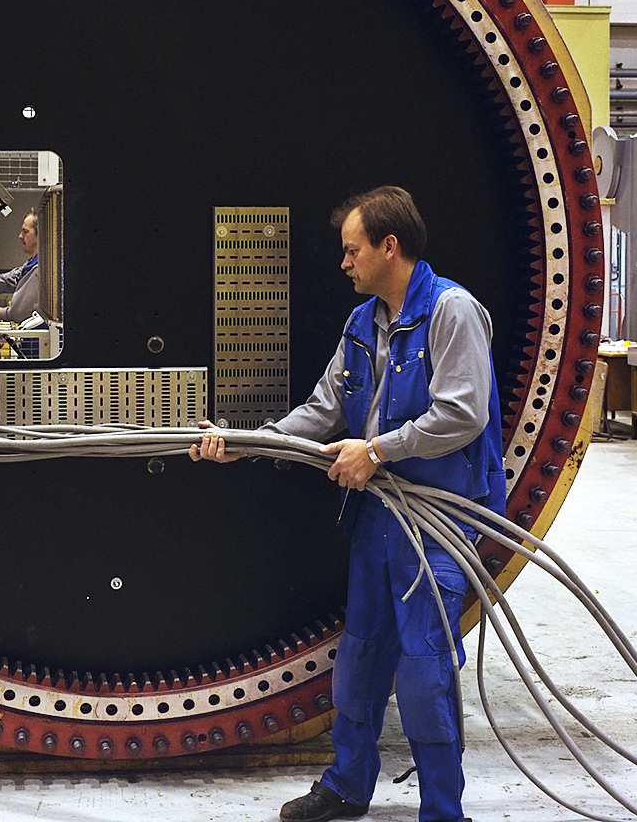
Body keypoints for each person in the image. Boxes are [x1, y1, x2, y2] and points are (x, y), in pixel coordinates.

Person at [190, 186, 505, 822]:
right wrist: (250, 445)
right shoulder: (363, 324)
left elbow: (464, 415)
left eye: (352, 250)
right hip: (376, 520)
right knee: (359, 660)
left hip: (436, 527)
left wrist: (378, 452)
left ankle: (443, 811)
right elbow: (324, 410)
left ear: (390, 247)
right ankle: (347, 786)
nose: (344, 263)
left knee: (422, 672)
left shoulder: (452, 312)